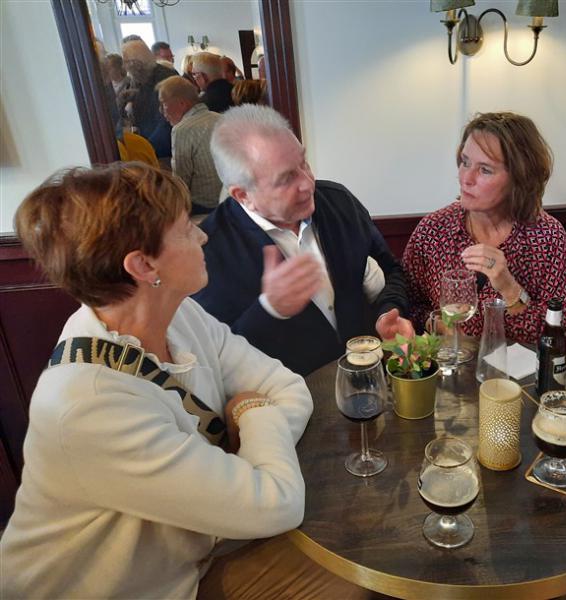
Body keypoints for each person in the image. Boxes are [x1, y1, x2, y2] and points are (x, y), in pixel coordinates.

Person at [0, 162, 376, 599]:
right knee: (353, 577)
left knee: (357, 556)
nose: (203, 236)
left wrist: (245, 465)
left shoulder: (180, 315)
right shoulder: (89, 405)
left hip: (195, 559)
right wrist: (253, 411)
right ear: (143, 265)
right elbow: (279, 503)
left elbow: (288, 387)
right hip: (133, 591)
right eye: (184, 229)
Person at [193, 105, 413, 376]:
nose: (308, 183)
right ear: (243, 195)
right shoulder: (209, 252)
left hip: (371, 381)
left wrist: (388, 311)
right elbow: (217, 362)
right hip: (291, 398)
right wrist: (269, 310)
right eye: (287, 178)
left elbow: (391, 271)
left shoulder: (339, 202)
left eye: (304, 162)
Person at [403, 112, 566, 347]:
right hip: (450, 364)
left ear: (519, 178)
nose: (466, 178)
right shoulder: (434, 229)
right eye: (465, 162)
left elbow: (563, 338)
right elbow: (407, 305)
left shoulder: (547, 236)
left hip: (517, 370)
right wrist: (437, 324)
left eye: (485, 170)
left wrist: (509, 287)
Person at [157, 75, 223, 216]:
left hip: (203, 209)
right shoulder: (222, 119)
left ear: (182, 103)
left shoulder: (182, 130)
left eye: (163, 104)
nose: (161, 111)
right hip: (231, 203)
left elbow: (181, 182)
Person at [121, 39, 177, 159]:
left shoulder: (165, 78)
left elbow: (166, 120)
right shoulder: (138, 79)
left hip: (165, 149)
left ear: (136, 63)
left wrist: (148, 148)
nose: (125, 67)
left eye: (126, 62)